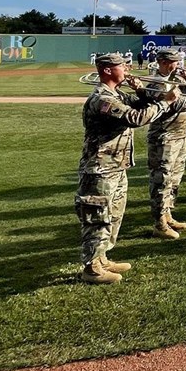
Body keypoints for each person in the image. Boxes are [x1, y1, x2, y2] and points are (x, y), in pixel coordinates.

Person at [76, 53, 176, 284]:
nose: (128, 68)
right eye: (123, 65)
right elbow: (136, 117)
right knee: (97, 217)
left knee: (113, 215)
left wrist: (141, 91)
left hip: (116, 166)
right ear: (108, 70)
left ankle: (101, 258)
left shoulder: (116, 94)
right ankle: (91, 268)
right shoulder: (102, 98)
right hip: (100, 168)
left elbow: (140, 104)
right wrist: (166, 102)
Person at [143, 48, 186, 239]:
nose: (177, 65)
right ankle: (159, 223)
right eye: (173, 61)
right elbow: (178, 104)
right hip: (164, 137)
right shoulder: (157, 84)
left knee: (175, 179)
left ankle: (168, 213)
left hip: (180, 135)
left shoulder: (177, 79)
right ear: (161, 61)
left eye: (178, 61)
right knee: (162, 179)